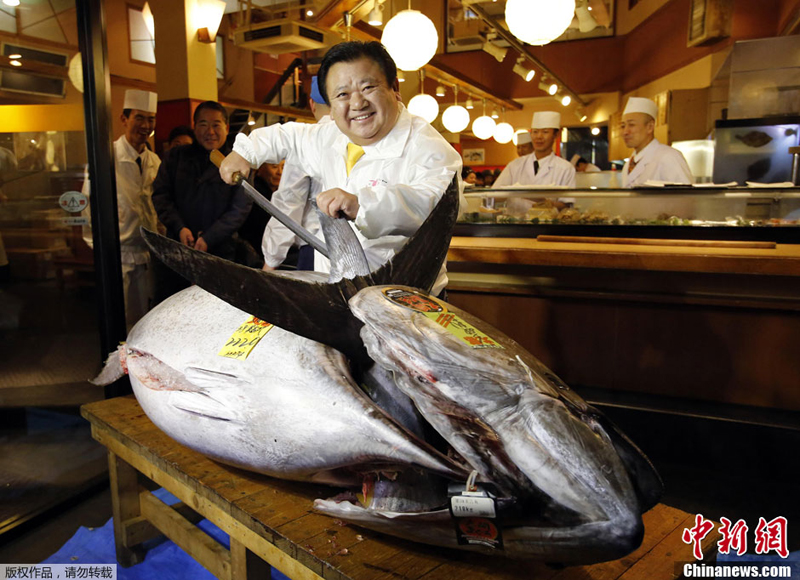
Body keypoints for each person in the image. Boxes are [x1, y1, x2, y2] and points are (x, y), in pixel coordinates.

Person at [219, 41, 463, 296]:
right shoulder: (330, 134)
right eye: (342, 94)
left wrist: (362, 205)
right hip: (336, 290)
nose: (357, 103)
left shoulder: (430, 148)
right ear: (331, 106)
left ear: (395, 88)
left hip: (405, 299)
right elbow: (288, 136)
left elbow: (436, 206)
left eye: (368, 87)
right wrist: (245, 153)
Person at [152, 100, 253, 299]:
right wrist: (180, 227)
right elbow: (161, 195)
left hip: (221, 253)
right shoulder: (175, 157)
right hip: (178, 249)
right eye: (203, 124)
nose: (210, 131)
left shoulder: (238, 161)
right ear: (194, 126)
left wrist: (209, 238)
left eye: (216, 124)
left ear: (226, 127)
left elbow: (240, 208)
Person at [82, 89, 160, 326]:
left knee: (148, 319)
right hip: (119, 256)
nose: (145, 125)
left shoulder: (154, 161)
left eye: (150, 119)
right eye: (139, 118)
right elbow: (88, 207)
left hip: (148, 255)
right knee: (120, 320)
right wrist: (102, 250)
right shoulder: (106, 157)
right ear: (124, 119)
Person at [261, 75, 330, 272]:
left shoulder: (307, 140)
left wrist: (270, 261)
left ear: (312, 104)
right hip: (366, 253)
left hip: (317, 250)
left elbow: (289, 204)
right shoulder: (364, 136)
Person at [620, 97, 693, 188]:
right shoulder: (628, 165)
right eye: (623, 126)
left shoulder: (669, 157)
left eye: (632, 125)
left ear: (650, 127)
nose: (625, 132)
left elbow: (686, 198)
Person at [493, 112, 576, 188]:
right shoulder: (514, 166)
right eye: (535, 132)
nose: (539, 136)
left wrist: (547, 203)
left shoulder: (566, 168)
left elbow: (566, 202)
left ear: (556, 135)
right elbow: (494, 193)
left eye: (545, 132)